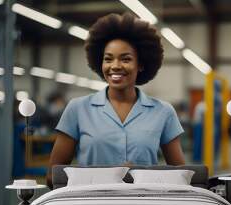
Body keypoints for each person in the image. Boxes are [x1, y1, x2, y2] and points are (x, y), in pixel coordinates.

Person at [47, 13, 185, 187]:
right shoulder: (77, 109)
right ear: (100, 62)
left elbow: (182, 177)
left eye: (126, 59)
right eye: (108, 59)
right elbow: (53, 177)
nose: (115, 66)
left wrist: (143, 177)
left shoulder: (163, 112)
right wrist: (110, 177)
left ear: (141, 64)